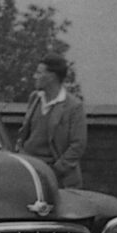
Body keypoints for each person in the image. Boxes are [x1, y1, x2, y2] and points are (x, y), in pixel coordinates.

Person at [17, 54, 86, 187]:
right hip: (29, 170)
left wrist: (55, 171)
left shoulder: (73, 106)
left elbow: (78, 145)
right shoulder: (35, 98)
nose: (34, 76)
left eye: (39, 73)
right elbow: (25, 132)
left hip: (57, 178)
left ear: (51, 77)